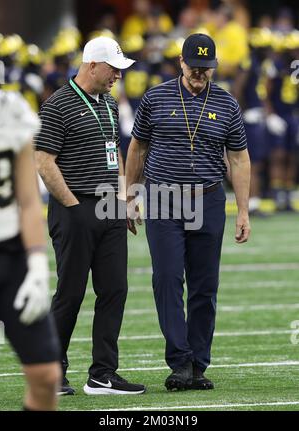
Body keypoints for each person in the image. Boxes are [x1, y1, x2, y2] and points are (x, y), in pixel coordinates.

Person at [125, 33, 251, 391]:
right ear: (180, 63)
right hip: (163, 199)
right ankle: (179, 360)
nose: (200, 74)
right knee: (166, 278)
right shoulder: (156, 97)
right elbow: (138, 148)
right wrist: (129, 196)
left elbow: (239, 159)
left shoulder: (227, 104)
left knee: (204, 285)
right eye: (194, 67)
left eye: (206, 68)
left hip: (208, 199)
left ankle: (198, 363)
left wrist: (243, 211)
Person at [35, 36, 146, 396]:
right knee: (70, 292)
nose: (117, 75)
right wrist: (72, 206)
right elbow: (44, 162)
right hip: (75, 208)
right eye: (113, 68)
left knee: (115, 289)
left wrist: (126, 199)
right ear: (93, 65)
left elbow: (114, 157)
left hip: (109, 207)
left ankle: (103, 373)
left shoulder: (110, 105)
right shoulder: (57, 105)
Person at [0, 87, 61, 410]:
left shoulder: (11, 111)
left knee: (46, 377)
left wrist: (37, 264)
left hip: (10, 251)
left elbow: (28, 200)